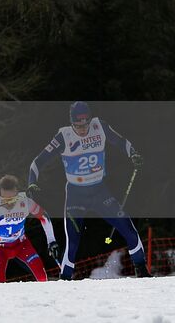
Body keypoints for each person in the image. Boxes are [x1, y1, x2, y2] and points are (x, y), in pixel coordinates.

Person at [27, 100, 149, 279]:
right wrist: (31, 182)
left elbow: (122, 142)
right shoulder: (64, 136)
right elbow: (37, 162)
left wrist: (133, 154)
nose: (82, 129)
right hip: (76, 196)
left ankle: (141, 270)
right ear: (71, 123)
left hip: (100, 192)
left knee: (128, 228)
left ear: (90, 120)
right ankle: (65, 279)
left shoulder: (100, 127)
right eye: (77, 125)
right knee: (73, 242)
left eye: (85, 124)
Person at [0, 174, 57, 282]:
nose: (9, 203)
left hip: (21, 244)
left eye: (12, 199)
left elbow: (44, 217)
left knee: (42, 277)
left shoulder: (26, 203)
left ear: (17, 194)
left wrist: (51, 241)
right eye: (5, 200)